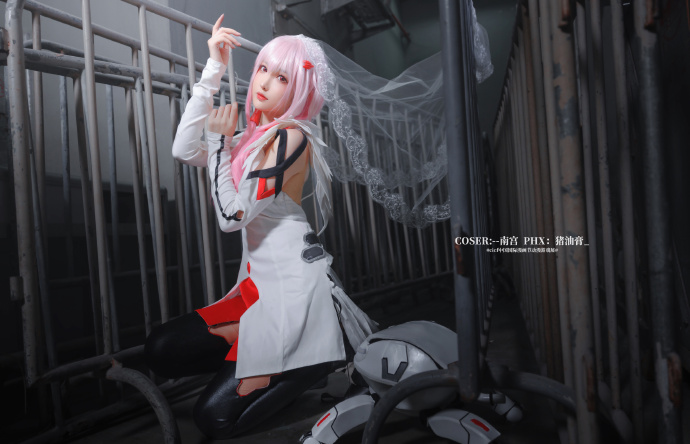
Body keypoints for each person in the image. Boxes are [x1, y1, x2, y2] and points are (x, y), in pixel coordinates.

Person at [144, 14, 376, 439]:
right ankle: (272, 362)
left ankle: (311, 362)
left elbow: (232, 217)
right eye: (263, 69)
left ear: (300, 89)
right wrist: (214, 70)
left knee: (213, 420)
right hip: (256, 289)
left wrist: (218, 144)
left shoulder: (292, 136)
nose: (264, 82)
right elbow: (182, 150)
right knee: (160, 349)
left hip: (291, 296)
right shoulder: (252, 137)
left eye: (282, 77)